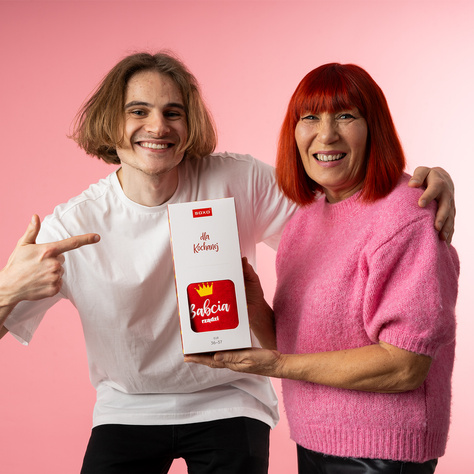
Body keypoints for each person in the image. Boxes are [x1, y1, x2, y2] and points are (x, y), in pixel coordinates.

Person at [0, 53, 456, 474]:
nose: (157, 126)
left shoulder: (239, 178)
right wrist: (8, 289)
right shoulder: (71, 224)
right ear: (110, 123)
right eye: (138, 111)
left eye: (173, 112)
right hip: (129, 404)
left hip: (230, 397)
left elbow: (345, 198)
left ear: (189, 121)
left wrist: (421, 184)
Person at [185, 63, 460, 474]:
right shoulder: (304, 222)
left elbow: (406, 364)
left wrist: (275, 365)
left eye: (346, 116)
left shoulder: (407, 214)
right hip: (314, 439)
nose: (326, 134)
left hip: (383, 450)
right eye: (310, 117)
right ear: (294, 133)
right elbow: (298, 340)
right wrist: (253, 301)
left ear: (374, 128)